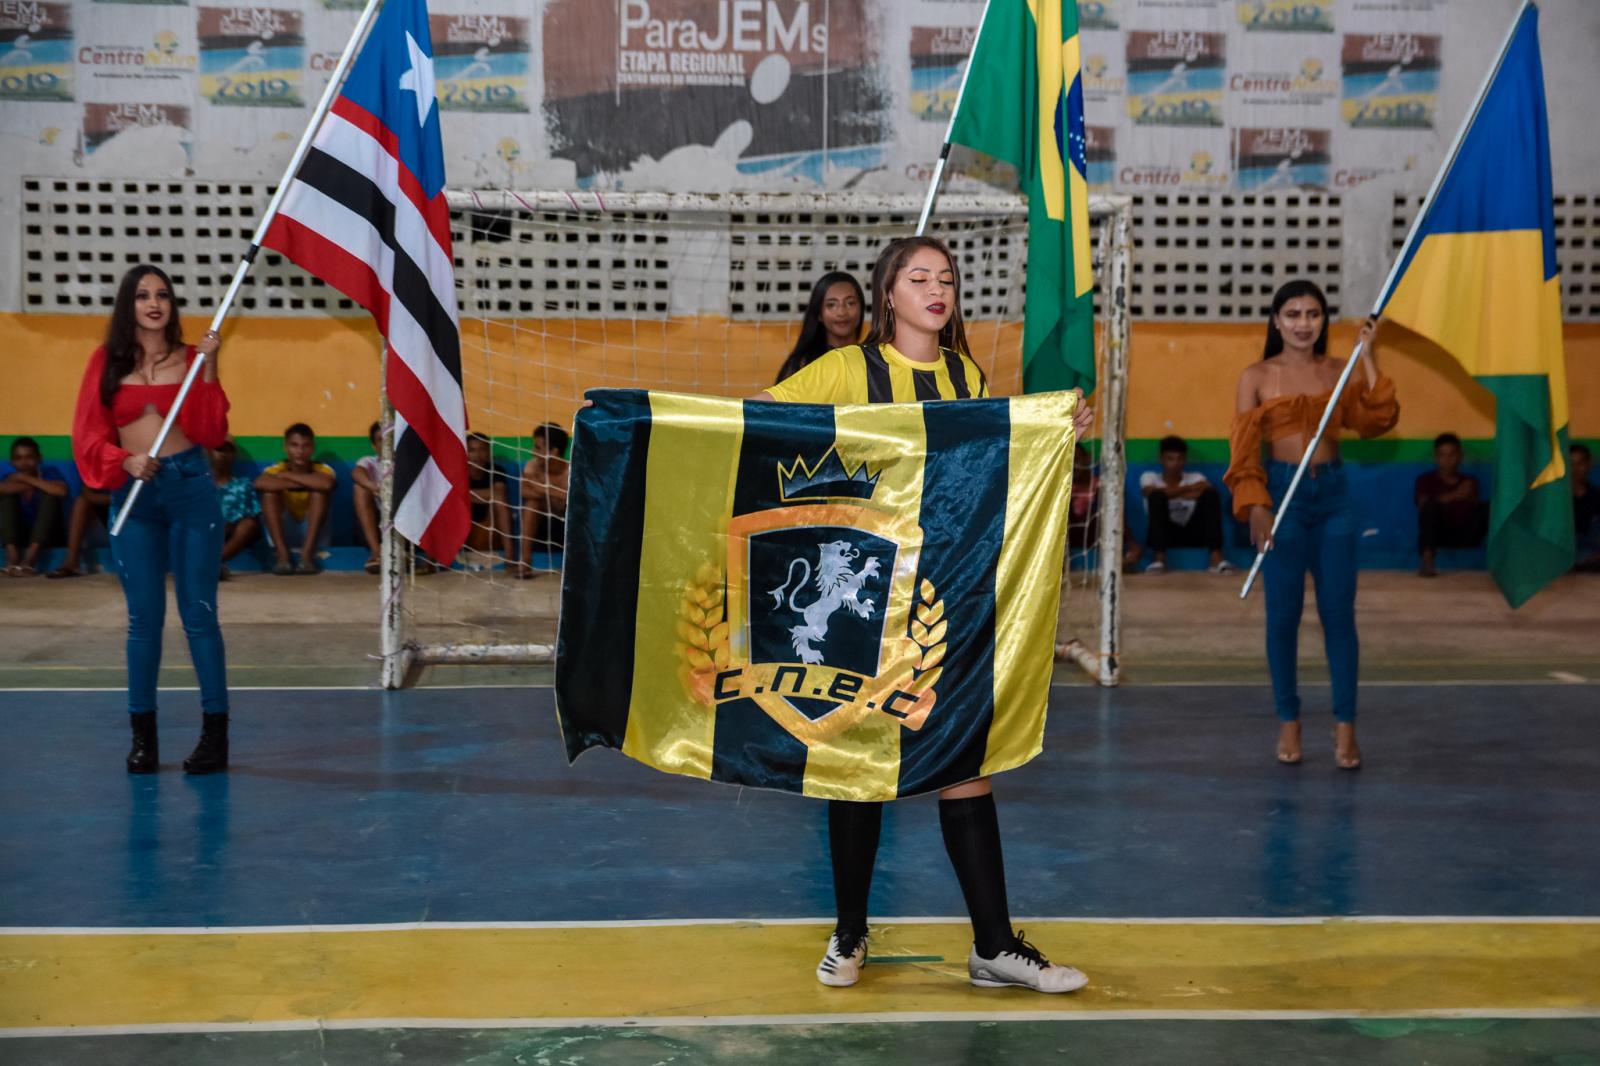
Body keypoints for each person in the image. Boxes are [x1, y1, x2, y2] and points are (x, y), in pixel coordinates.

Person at [758, 236, 1095, 995]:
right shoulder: (846, 367)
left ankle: (995, 946)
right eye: (919, 277)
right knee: (859, 765)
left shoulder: (964, 374)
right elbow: (758, 421)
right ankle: (849, 934)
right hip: (862, 599)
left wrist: (1051, 426)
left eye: (946, 277)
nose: (936, 289)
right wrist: (643, 420)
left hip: (944, 595)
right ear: (888, 294)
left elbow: (985, 463)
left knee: (964, 762)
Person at [1227, 280, 1399, 770]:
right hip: (1282, 497)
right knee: (1282, 616)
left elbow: (1376, 420)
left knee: (1339, 616)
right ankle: (1289, 719)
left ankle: (1346, 727)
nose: (1304, 323)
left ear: (1323, 321)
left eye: (1314, 314)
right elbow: (1242, 449)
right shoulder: (1256, 376)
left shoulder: (1337, 371)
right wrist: (1256, 502)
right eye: (1294, 313)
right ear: (1277, 321)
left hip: (1335, 499)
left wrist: (1367, 357)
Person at [71, 263, 232, 774]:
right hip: (135, 496)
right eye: (142, 296)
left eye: (162, 294)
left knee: (199, 614)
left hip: (190, 492)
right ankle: (144, 739)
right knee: (143, 621)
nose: (154, 303)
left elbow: (210, 431)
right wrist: (125, 461)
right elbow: (88, 437)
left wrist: (208, 368)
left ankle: (214, 737)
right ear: (129, 305)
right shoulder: (105, 363)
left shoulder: (191, 359)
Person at [1136, 435, 1232, 574]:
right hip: (1165, 533)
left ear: (1185, 459)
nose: (1176, 464)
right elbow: (1149, 492)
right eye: (1170, 459)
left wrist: (1169, 493)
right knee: (1156, 497)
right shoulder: (1150, 477)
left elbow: (1208, 489)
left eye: (1180, 458)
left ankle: (1216, 560)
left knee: (1210, 495)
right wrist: (1188, 489)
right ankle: (1159, 560)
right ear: (1161, 459)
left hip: (1193, 532)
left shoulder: (1196, 477)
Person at [254, 422, 335, 575]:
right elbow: (260, 483)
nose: (300, 451)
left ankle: (307, 556)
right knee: (269, 494)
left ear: (312, 448)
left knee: (319, 493)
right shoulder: (276, 468)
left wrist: (287, 476)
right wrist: (305, 481)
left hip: (313, 532)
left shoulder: (323, 469)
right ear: (286, 447)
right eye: (294, 445)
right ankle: (282, 556)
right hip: (285, 529)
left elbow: (326, 484)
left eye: (305, 446)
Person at [1414, 432, 1488, 577]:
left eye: (1452, 455)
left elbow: (1476, 511)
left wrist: (1470, 496)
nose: (1447, 460)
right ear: (1436, 457)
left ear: (1460, 456)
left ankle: (1503, 560)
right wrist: (1453, 495)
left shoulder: (1470, 481)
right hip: (1439, 535)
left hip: (1466, 534)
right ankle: (1427, 560)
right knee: (1431, 506)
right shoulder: (1425, 480)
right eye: (1442, 455)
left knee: (1489, 508)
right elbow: (1423, 507)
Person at [774, 271, 866, 385]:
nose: (842, 312)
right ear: (819, 314)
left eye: (850, 303)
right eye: (831, 305)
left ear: (861, 308)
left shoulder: (873, 359)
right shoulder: (802, 365)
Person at [1, 436, 68, 576]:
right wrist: (36, 485)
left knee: (50, 497)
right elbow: (3, 489)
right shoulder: (9, 477)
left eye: (29, 457)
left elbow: (60, 491)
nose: (24, 462)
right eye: (18, 458)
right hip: (21, 535)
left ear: (39, 459)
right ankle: (12, 560)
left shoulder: (50, 472)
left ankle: (29, 561)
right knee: (7, 498)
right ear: (12, 461)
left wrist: (24, 478)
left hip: (50, 536)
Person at [518, 422, 569, 577]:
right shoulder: (532, 466)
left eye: (538, 448)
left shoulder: (571, 471)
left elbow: (570, 498)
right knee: (532, 504)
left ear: (553, 452)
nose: (533, 452)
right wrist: (555, 492)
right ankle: (525, 562)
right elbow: (524, 491)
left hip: (567, 529)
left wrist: (540, 487)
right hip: (541, 528)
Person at [210, 441, 261, 579]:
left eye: (228, 451)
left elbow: (250, 517)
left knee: (249, 524)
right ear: (210, 452)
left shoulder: (243, 485)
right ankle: (211, 566)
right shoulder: (200, 484)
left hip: (230, 533)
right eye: (219, 449)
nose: (223, 454)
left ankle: (212, 563)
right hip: (205, 531)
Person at [465, 432, 515, 568]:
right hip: (464, 532)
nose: (478, 455)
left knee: (499, 501)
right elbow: (455, 496)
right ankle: (435, 561)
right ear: (466, 452)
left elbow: (499, 493)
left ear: (488, 452)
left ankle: (510, 557)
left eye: (482, 449)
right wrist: (486, 495)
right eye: (473, 450)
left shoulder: (496, 470)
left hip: (490, 532)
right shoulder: (459, 472)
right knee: (449, 504)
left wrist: (468, 495)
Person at [45, 486, 112, 578]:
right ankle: (71, 563)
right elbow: (86, 493)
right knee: (81, 501)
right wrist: (95, 498)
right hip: (108, 511)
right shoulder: (94, 472)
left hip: (128, 508)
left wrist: (97, 498)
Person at [352, 421, 385, 574]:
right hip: (375, 525)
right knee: (360, 488)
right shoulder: (369, 462)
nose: (386, 443)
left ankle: (399, 552)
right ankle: (377, 553)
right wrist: (374, 487)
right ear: (374, 445)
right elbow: (357, 473)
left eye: (389, 437)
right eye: (380, 439)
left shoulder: (408, 462)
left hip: (404, 524)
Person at [1572, 443, 1600, 572]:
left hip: (1591, 552)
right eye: (1571, 464)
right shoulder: (1558, 501)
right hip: (1567, 551)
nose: (1575, 469)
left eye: (1580, 463)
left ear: (1589, 465)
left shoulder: (1595, 496)